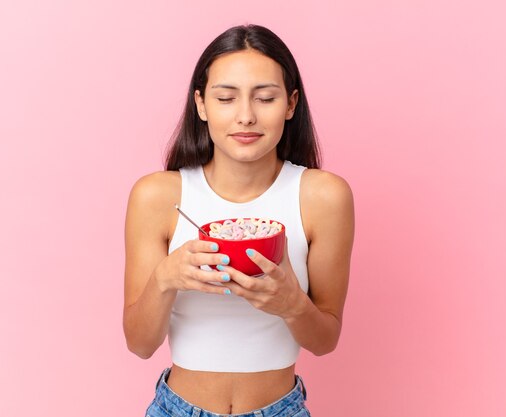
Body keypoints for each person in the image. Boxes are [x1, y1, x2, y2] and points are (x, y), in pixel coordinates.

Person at [123, 24, 354, 416]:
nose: (246, 116)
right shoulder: (158, 196)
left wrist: (292, 304)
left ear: (291, 104)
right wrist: (167, 278)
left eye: (265, 98)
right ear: (201, 105)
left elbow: (324, 339)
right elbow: (140, 344)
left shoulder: (324, 197)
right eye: (226, 98)